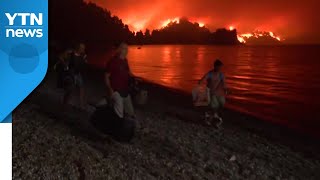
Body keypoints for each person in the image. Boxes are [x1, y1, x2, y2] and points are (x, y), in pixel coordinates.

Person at [104, 42, 135, 119]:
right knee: (119, 114)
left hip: (125, 90)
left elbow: (128, 72)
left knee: (131, 113)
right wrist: (110, 89)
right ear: (120, 50)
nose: (127, 50)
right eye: (125, 48)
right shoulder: (112, 61)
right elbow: (106, 76)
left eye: (127, 49)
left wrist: (136, 78)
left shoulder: (125, 61)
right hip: (116, 90)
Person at [199, 59, 228, 127]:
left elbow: (224, 83)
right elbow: (203, 79)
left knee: (221, 105)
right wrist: (201, 83)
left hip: (219, 93)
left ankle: (213, 118)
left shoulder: (221, 74)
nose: (220, 68)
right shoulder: (210, 73)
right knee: (213, 106)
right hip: (211, 93)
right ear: (215, 66)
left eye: (221, 67)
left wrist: (225, 90)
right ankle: (212, 120)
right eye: (219, 67)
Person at [69, 43, 87, 108]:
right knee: (71, 89)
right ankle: (67, 103)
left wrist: (84, 60)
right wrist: (65, 65)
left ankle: (81, 104)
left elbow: (82, 65)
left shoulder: (82, 56)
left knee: (81, 88)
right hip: (72, 73)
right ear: (78, 48)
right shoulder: (72, 53)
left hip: (78, 74)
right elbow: (61, 57)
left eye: (84, 48)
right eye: (82, 48)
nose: (83, 49)